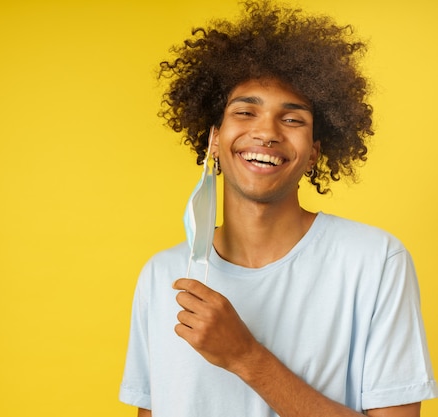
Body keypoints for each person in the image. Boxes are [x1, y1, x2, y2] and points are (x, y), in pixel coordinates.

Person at [119, 1, 438, 416]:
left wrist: (246, 357)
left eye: (292, 120)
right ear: (214, 140)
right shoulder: (162, 276)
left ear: (314, 154)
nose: (266, 132)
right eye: (245, 112)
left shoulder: (374, 262)